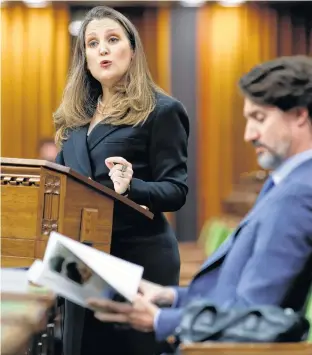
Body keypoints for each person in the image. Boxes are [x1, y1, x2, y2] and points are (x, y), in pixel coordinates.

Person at [87, 55, 312, 349]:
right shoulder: (284, 183)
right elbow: (234, 293)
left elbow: (254, 318)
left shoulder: (298, 193)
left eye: (259, 118)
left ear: (299, 116)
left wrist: (160, 320)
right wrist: (172, 296)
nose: (249, 135)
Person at [53, 5, 189, 355]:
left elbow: (176, 190)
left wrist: (132, 186)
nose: (102, 49)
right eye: (92, 43)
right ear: (84, 58)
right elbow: (59, 182)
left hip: (138, 257)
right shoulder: (74, 119)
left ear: (132, 49)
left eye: (112, 40)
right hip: (82, 259)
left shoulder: (161, 110)